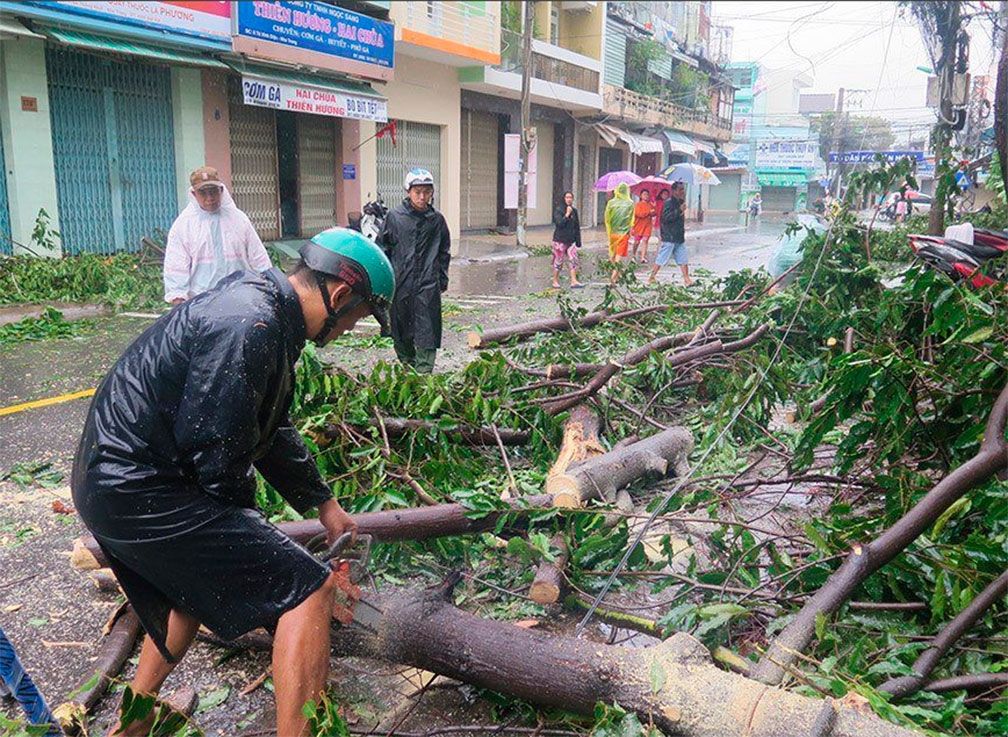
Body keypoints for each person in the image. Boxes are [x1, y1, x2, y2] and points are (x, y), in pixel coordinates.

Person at [72, 228, 395, 737]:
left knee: (192, 588)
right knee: (309, 590)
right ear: (339, 296)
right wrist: (266, 557)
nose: (351, 328)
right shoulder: (252, 324)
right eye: (358, 316)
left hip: (116, 483)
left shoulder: (267, 311)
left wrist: (325, 506)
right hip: (137, 488)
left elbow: (271, 426)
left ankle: (134, 722)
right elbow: (218, 455)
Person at [163, 166, 271, 305]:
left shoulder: (239, 219)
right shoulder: (184, 225)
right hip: (202, 302)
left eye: (213, 191)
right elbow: (176, 266)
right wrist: (179, 300)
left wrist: (268, 284)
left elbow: (258, 258)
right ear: (194, 194)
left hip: (241, 299)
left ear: (221, 190)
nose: (210, 198)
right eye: (203, 193)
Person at [378, 168, 451, 374]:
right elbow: (383, 249)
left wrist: (441, 279)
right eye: (417, 192)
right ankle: (407, 366)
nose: (422, 197)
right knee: (400, 328)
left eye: (427, 192)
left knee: (427, 330)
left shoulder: (436, 220)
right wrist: (384, 281)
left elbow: (444, 251)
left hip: (427, 284)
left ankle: (424, 374)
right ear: (408, 192)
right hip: (400, 283)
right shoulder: (394, 217)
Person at [648, 181, 691, 287]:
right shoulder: (669, 203)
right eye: (680, 189)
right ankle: (652, 276)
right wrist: (679, 210)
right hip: (669, 236)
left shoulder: (680, 202)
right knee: (662, 257)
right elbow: (666, 218)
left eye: (683, 189)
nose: (682, 191)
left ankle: (687, 279)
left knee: (683, 258)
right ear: (674, 191)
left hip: (678, 236)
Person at [604, 182, 635, 286]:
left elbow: (607, 218)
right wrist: (631, 229)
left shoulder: (611, 203)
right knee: (619, 256)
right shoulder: (630, 203)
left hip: (613, 233)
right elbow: (632, 219)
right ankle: (613, 278)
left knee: (612, 254)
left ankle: (616, 275)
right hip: (623, 234)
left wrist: (609, 229)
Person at [551, 191, 583, 289]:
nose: (569, 199)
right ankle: (555, 280)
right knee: (558, 260)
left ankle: (574, 280)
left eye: (570, 197)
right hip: (560, 240)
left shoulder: (574, 211)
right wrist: (567, 214)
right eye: (567, 197)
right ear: (564, 199)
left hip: (571, 241)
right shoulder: (559, 210)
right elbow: (559, 223)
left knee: (573, 259)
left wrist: (578, 241)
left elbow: (576, 226)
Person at [629, 189, 656, 264]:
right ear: (640, 196)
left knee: (645, 240)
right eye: (644, 194)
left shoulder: (650, 205)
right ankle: (633, 254)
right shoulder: (638, 205)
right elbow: (639, 214)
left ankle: (643, 257)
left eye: (647, 194)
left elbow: (654, 214)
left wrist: (654, 209)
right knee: (637, 242)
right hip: (638, 226)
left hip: (647, 226)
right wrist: (648, 212)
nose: (646, 196)